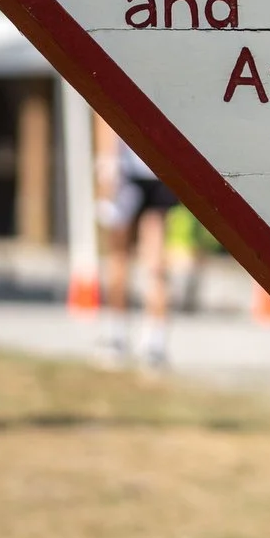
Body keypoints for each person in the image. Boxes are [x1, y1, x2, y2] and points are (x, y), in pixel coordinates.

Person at [93, 116, 176, 369]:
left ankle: (129, 338)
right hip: (148, 170)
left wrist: (106, 166)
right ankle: (148, 341)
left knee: (127, 257)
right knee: (145, 257)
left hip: (131, 172)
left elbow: (104, 116)